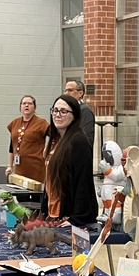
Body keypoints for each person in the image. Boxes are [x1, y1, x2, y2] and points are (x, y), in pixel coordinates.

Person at [42, 94, 99, 225]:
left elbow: (83, 181)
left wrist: (76, 218)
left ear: (74, 116)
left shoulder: (78, 141)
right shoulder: (56, 139)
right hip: (54, 210)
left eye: (64, 111)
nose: (57, 115)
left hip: (71, 214)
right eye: (55, 110)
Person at [6, 95, 50, 183]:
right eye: (24, 103)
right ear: (20, 107)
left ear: (34, 107)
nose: (26, 105)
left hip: (36, 167)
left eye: (30, 103)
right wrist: (10, 165)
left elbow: (55, 136)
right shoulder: (15, 123)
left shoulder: (41, 123)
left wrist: (48, 148)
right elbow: (12, 146)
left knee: (35, 193)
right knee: (21, 194)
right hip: (20, 167)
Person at [64, 78, 95, 145]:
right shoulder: (68, 110)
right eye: (65, 90)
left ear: (80, 93)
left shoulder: (85, 110)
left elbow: (87, 137)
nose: (66, 93)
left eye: (70, 90)